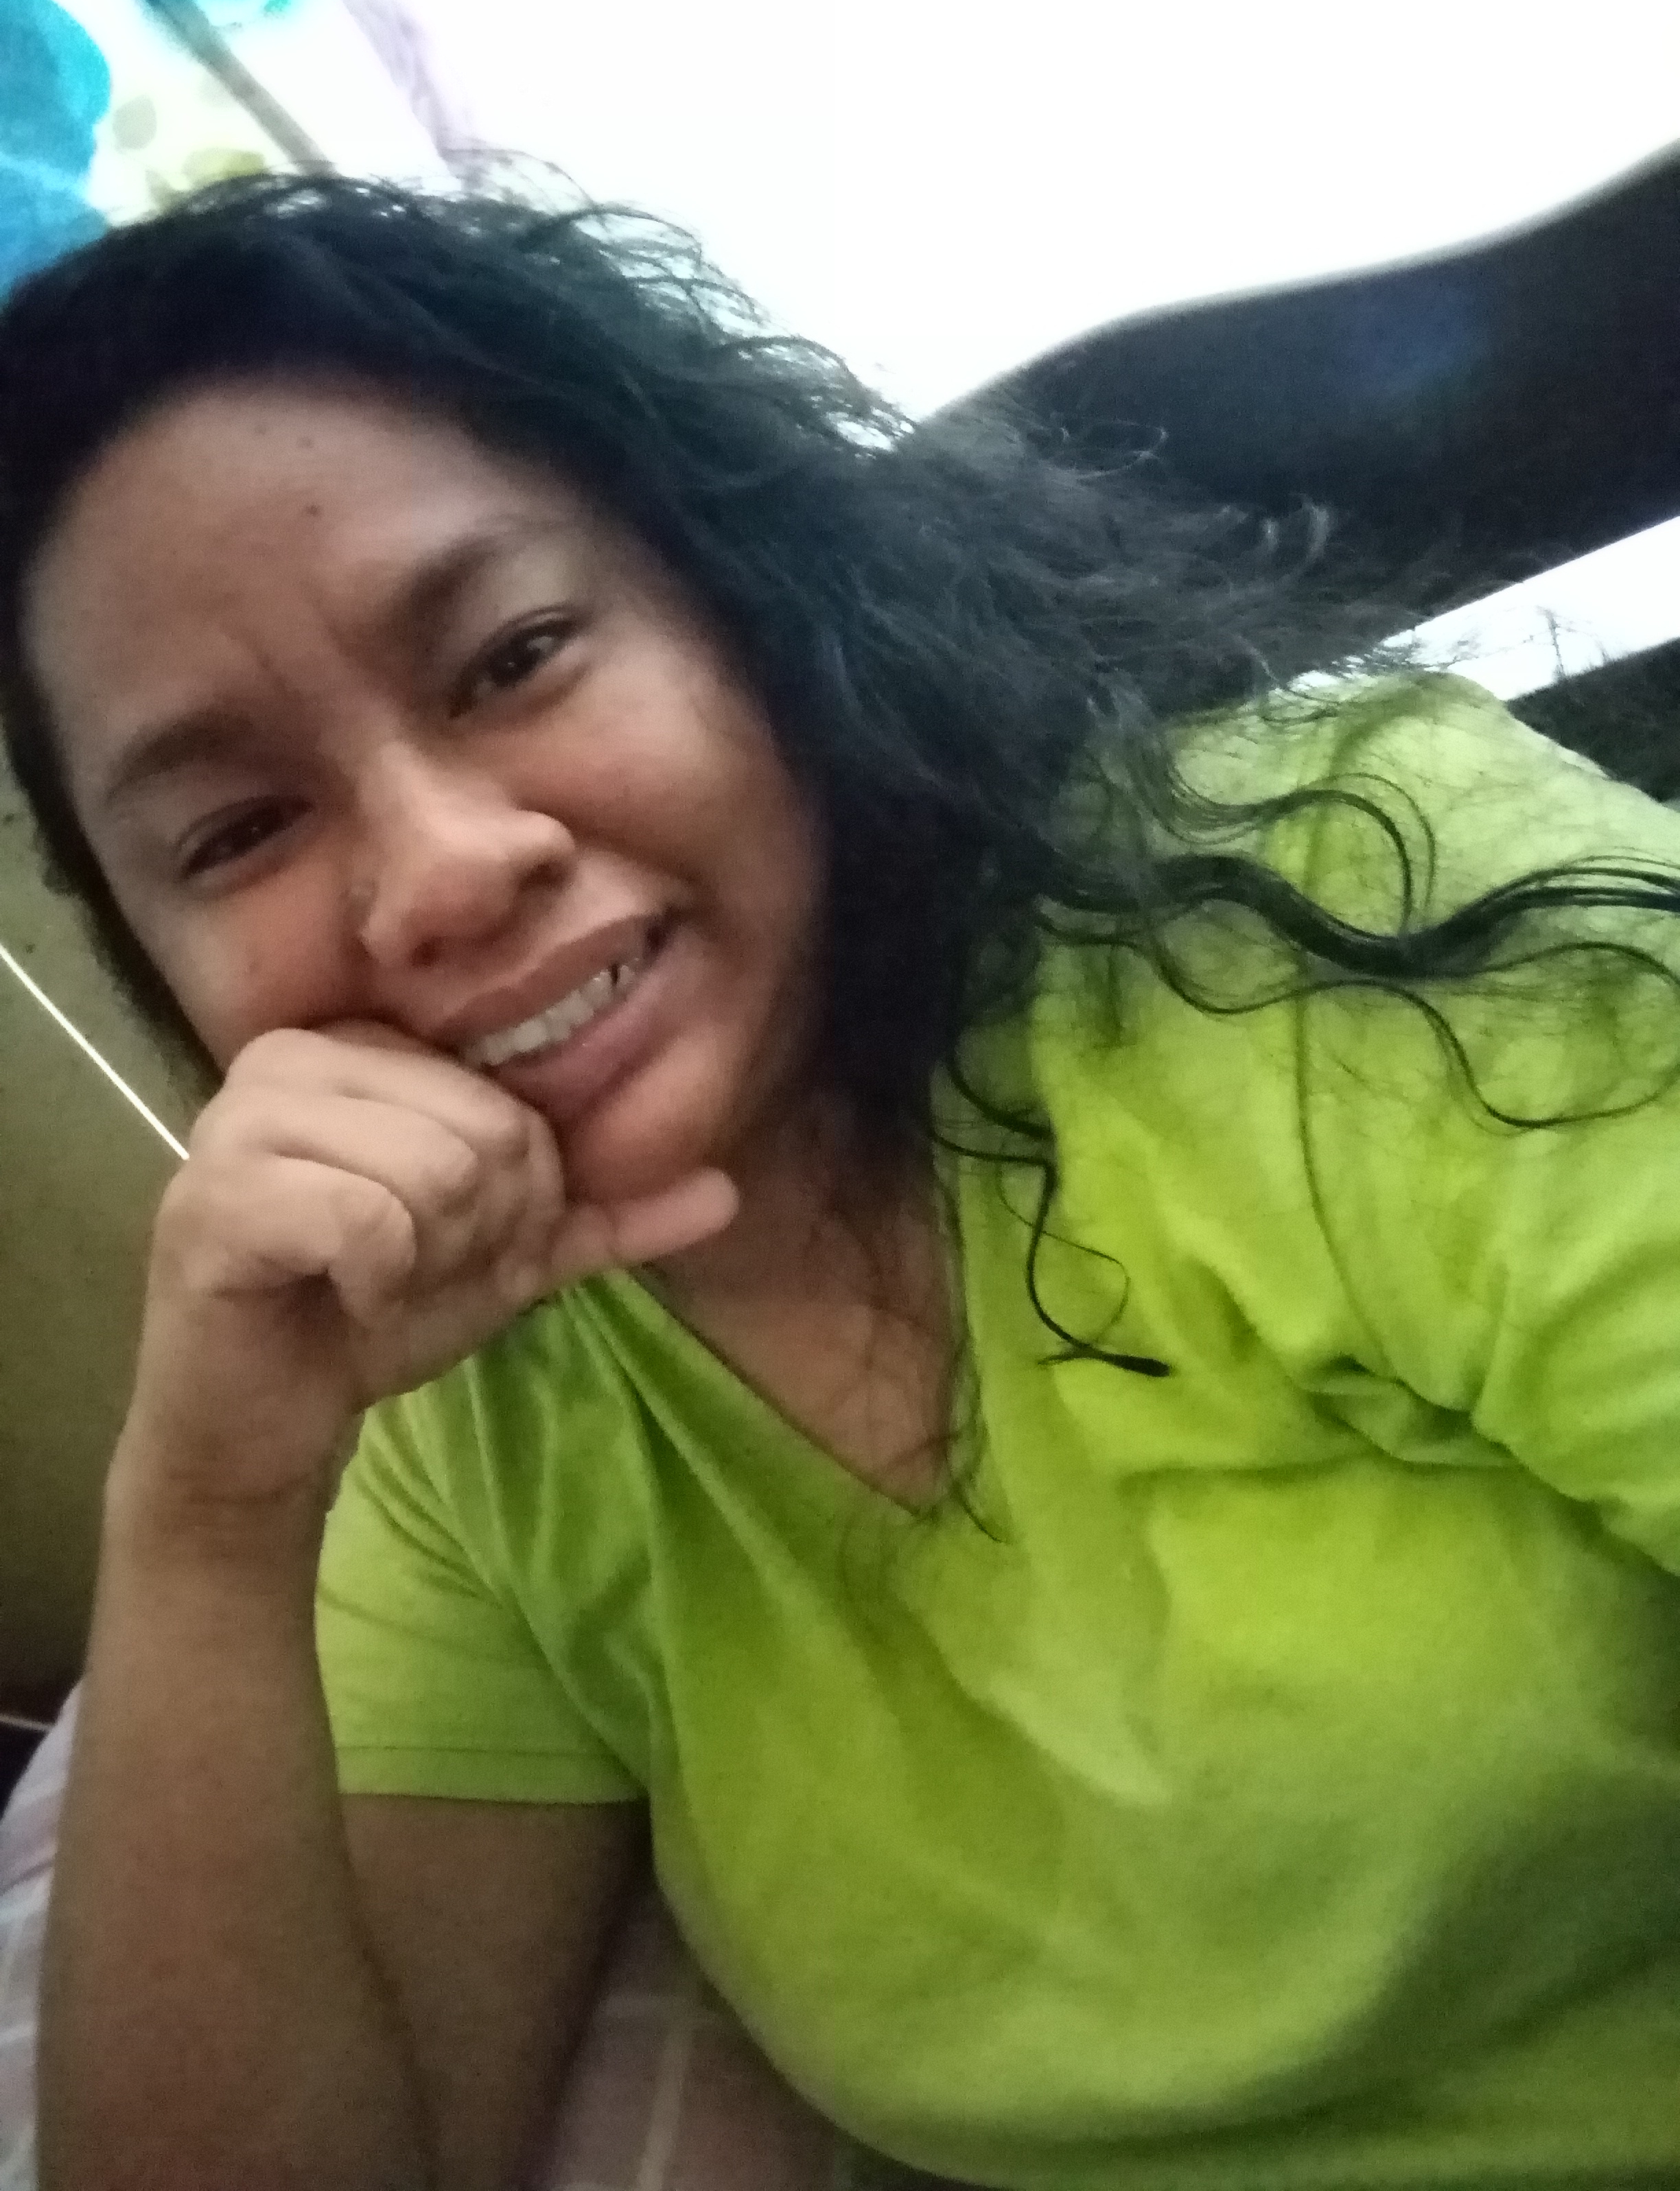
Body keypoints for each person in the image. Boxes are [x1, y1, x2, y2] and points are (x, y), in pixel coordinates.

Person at [3, 172, 1680, 2191]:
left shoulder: (1344, 927)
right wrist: (204, 1518)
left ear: (752, 601)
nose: (443, 872)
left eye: (515, 655)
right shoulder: (469, 1406)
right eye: (236, 830)